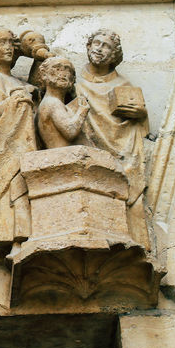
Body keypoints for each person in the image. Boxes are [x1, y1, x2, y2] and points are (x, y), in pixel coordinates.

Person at [74, 29, 149, 248]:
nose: (99, 49)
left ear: (114, 54)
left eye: (106, 46)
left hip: (124, 145)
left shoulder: (123, 85)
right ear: (88, 46)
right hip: (89, 147)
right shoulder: (75, 81)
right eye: (96, 43)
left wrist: (141, 114)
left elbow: (143, 127)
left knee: (130, 186)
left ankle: (136, 242)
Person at [0, 28, 38, 262]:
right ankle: (12, 239)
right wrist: (17, 99)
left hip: (25, 147)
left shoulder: (16, 81)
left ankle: (25, 237)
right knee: (11, 190)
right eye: (1, 43)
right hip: (8, 150)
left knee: (25, 187)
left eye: (10, 43)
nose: (8, 48)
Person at [36, 57, 89, 149]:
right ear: (44, 74)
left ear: (73, 79)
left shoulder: (56, 103)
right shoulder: (52, 102)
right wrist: (83, 110)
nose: (63, 73)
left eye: (68, 70)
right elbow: (70, 131)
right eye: (57, 68)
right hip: (63, 153)